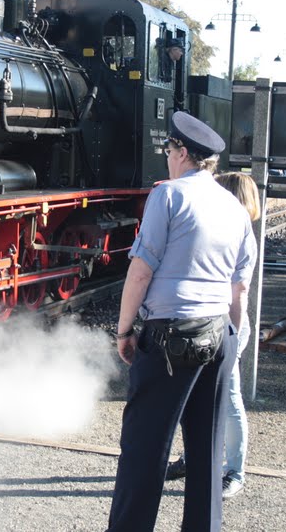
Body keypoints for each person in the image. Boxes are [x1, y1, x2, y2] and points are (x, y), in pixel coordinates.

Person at [108, 112, 257, 532]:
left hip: (171, 336)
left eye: (170, 151)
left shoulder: (168, 196)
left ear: (183, 153)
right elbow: (238, 292)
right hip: (219, 333)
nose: (168, 158)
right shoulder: (235, 208)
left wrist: (123, 331)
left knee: (145, 448)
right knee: (207, 451)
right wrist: (232, 344)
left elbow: (140, 271)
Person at [165, 173, 260, 501]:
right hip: (204, 321)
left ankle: (235, 471)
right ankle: (192, 458)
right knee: (196, 395)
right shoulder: (222, 229)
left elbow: (240, 291)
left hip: (227, 324)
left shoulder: (240, 235)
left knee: (230, 397)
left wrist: (231, 336)